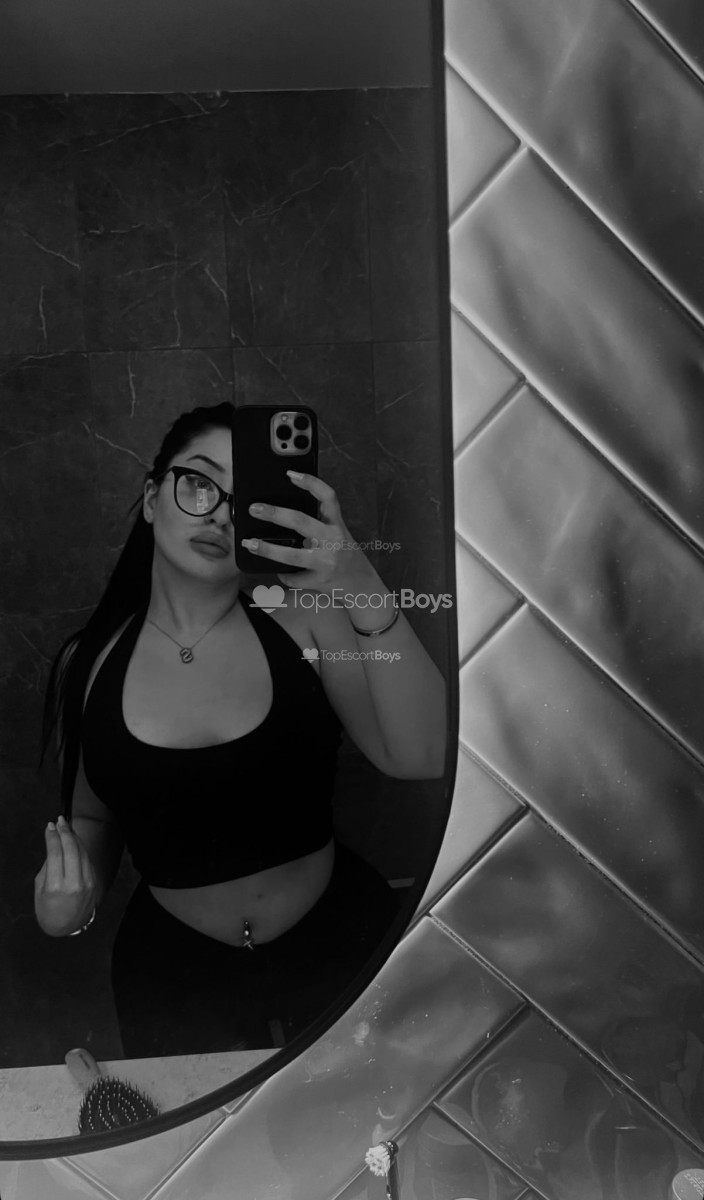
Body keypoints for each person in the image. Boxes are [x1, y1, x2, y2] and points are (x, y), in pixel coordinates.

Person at [34, 401, 447, 1057]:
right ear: (152, 498)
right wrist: (69, 907)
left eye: (243, 498)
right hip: (174, 981)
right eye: (199, 484)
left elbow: (422, 753)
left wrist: (360, 582)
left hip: (343, 947)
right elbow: (92, 817)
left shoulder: (308, 621)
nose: (219, 514)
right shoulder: (87, 663)